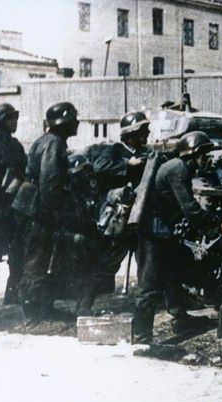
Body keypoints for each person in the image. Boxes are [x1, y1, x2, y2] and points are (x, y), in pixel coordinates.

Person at [132, 131, 222, 343]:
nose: (208, 159)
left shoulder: (179, 167)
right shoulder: (178, 169)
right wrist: (217, 225)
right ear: (194, 153)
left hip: (163, 230)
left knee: (173, 277)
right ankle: (141, 337)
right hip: (154, 232)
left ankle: (180, 320)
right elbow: (190, 209)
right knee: (149, 285)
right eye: (204, 154)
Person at [74, 111, 149, 316]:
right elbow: (100, 166)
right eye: (144, 130)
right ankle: (83, 306)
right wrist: (127, 164)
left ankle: (171, 306)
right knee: (108, 263)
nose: (148, 133)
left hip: (139, 217)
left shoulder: (145, 152)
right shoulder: (114, 150)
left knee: (151, 260)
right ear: (132, 133)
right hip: (118, 220)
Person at [16, 102, 79, 321]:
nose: (77, 122)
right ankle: (33, 314)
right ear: (64, 123)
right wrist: (54, 214)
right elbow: (50, 181)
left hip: (33, 206)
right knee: (38, 258)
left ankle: (41, 307)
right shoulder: (53, 144)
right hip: (40, 209)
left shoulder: (48, 140)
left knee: (41, 257)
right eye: (73, 119)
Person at [0, 103, 26, 320]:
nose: (14, 122)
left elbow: (22, 170)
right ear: (0, 121)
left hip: (10, 208)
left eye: (15, 117)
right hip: (1, 208)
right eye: (10, 118)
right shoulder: (1, 144)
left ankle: (11, 301)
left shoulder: (14, 144)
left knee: (17, 255)